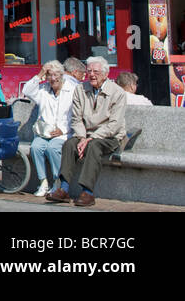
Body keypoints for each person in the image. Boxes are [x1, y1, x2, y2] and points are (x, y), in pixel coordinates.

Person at [48, 57, 127, 207]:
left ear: (105, 74)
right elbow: (76, 119)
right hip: (86, 134)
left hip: (110, 136)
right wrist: (82, 137)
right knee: (70, 144)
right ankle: (64, 189)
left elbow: (114, 125)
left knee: (94, 146)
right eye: (89, 71)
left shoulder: (117, 93)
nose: (91, 75)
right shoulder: (80, 89)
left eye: (96, 72)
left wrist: (90, 139)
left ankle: (88, 192)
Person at [19, 60, 77, 197]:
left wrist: (63, 129)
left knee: (53, 148)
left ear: (62, 75)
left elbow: (75, 114)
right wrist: (41, 73)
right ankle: (43, 182)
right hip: (45, 133)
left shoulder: (71, 90)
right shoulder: (43, 90)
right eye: (50, 75)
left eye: (56, 74)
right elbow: (26, 90)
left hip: (63, 133)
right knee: (36, 147)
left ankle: (58, 182)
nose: (53, 78)